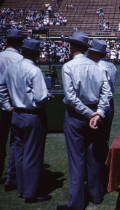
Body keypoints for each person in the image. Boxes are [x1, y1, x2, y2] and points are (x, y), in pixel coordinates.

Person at [57, 32, 112, 210]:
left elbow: (71, 98)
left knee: (76, 159)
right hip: (95, 112)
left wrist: (90, 114)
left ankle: (77, 202)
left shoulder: (68, 66)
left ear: (72, 47)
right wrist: (99, 113)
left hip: (76, 115)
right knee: (93, 156)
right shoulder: (98, 67)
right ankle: (96, 195)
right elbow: (107, 93)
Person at [0, 38, 52, 203]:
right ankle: (30, 193)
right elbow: (41, 96)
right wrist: (47, 96)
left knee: (20, 153)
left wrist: (8, 105)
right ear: (36, 53)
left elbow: (1, 88)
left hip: (16, 113)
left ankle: (21, 187)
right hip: (32, 115)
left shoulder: (11, 68)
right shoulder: (34, 70)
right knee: (32, 154)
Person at [0, 29, 24, 191]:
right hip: (16, 104)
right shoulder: (21, 59)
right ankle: (12, 177)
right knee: (16, 142)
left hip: (2, 103)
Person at [88, 38, 117, 140]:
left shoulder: (96, 67)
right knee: (104, 138)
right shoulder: (112, 66)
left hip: (99, 102)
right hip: (110, 102)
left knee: (95, 139)